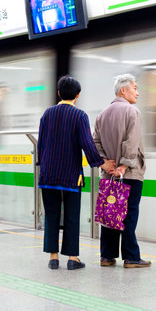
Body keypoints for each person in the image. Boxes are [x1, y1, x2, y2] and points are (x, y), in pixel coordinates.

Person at [37, 76, 115, 270]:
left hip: (48, 175)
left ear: (58, 93)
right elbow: (87, 144)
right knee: (72, 215)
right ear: (78, 95)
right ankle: (72, 258)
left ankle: (53, 257)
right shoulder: (79, 115)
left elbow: (42, 143)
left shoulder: (47, 114)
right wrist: (101, 164)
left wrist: (43, 165)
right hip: (71, 175)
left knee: (52, 215)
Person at [93, 74, 151, 268]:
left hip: (109, 175)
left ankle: (107, 256)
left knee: (110, 213)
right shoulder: (131, 111)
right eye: (135, 88)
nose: (138, 92)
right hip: (129, 174)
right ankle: (131, 257)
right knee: (129, 214)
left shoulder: (102, 114)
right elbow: (132, 142)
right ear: (123, 90)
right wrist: (124, 165)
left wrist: (104, 163)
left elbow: (95, 142)